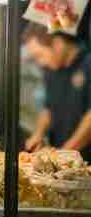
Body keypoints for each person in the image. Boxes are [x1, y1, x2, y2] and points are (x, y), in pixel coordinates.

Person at [23, 23, 91, 162]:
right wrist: (38, 134)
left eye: (39, 55)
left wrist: (64, 153)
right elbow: (48, 108)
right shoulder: (51, 70)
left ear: (58, 44)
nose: (40, 63)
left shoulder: (88, 65)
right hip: (62, 156)